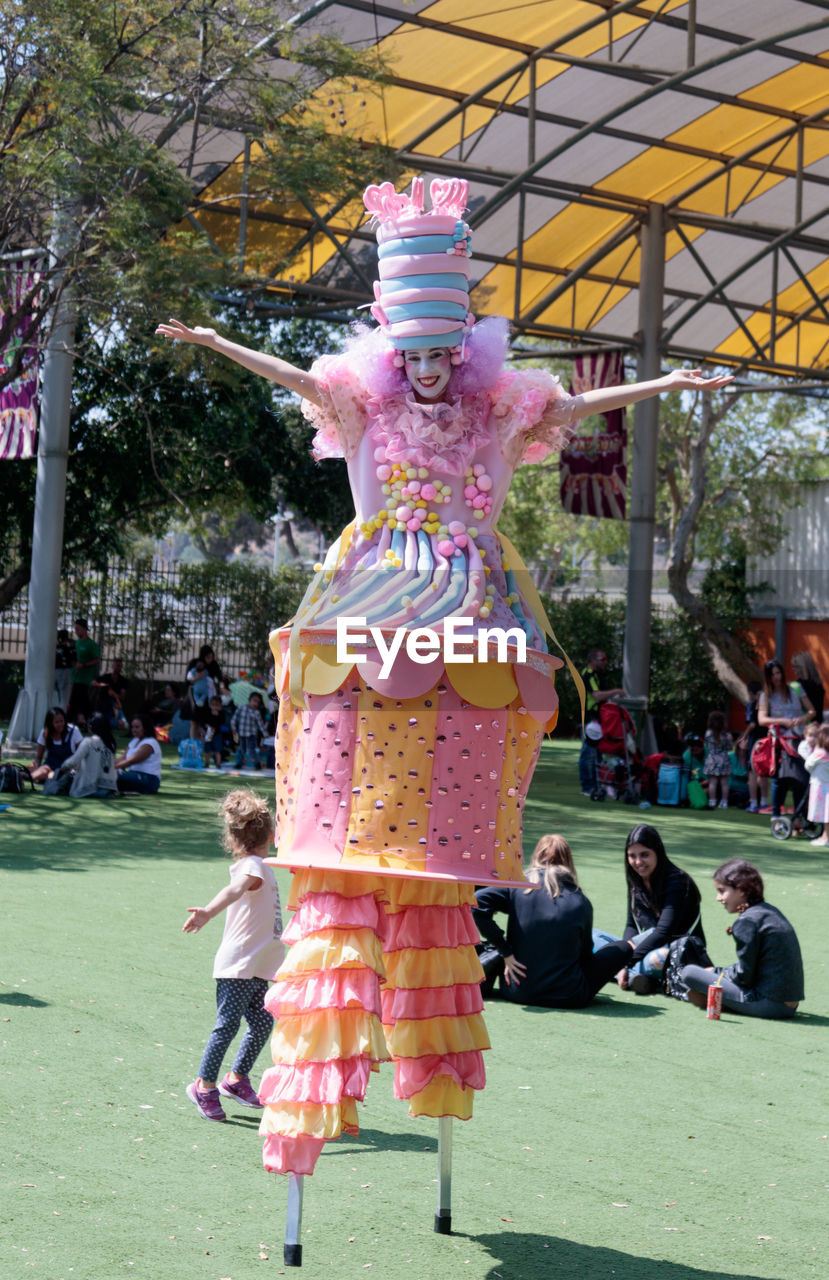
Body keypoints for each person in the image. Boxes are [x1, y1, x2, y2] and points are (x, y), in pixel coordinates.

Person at [156, 174, 731, 1177]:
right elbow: (295, 379)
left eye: (438, 354)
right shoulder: (367, 409)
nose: (424, 369)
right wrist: (216, 348)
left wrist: (668, 385)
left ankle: (437, 848)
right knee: (356, 690)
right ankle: (350, 856)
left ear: (457, 354)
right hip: (376, 581)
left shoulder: (494, 417)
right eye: (410, 352)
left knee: (471, 701)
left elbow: (584, 397)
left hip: (468, 589)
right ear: (392, 351)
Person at [183, 790, 284, 1122]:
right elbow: (235, 890)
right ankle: (204, 1086)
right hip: (240, 965)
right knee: (226, 1027)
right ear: (270, 835)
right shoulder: (253, 866)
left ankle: (236, 1080)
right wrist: (208, 912)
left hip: (258, 965)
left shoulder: (261, 865)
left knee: (261, 1022)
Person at [472, 835, 632, 1007]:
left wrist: (505, 951)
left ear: (536, 857)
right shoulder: (581, 901)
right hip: (569, 995)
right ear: (569, 861)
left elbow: (476, 904)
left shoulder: (519, 887)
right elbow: (584, 956)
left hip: (516, 991)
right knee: (623, 947)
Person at [679, 859, 803, 1019]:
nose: (718, 898)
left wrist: (716, 972)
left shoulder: (747, 921)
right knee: (707, 977)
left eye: (722, 891)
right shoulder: (769, 911)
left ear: (742, 891)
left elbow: (745, 977)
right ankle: (721, 999)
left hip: (769, 1004)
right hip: (789, 1005)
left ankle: (721, 1000)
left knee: (689, 972)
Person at [613, 823, 706, 995]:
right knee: (595, 937)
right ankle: (637, 976)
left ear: (658, 853)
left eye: (644, 855)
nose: (638, 862)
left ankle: (627, 972)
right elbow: (631, 925)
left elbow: (663, 932)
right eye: (632, 856)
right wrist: (625, 949)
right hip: (644, 948)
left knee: (657, 959)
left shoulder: (677, 881)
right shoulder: (636, 880)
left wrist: (625, 961)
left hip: (675, 953)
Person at [758, 658, 815, 817]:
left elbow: (812, 711)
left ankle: (798, 816)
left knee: (800, 779)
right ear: (768, 677)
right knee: (779, 780)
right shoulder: (766, 695)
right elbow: (761, 719)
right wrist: (781, 721)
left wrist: (802, 719)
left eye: (778, 673)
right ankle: (776, 816)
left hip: (799, 739)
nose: (776, 677)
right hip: (778, 741)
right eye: (772, 674)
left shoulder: (795, 689)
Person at [578, 649, 626, 797]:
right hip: (590, 719)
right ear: (593, 660)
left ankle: (597, 785)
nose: (604, 662)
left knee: (597, 755)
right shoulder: (589, 674)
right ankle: (588, 787)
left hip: (598, 719)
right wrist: (616, 691)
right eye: (602, 659)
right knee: (588, 754)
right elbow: (597, 696)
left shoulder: (598, 675)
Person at [50, 714, 118, 798]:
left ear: (91, 726)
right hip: (109, 789)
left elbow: (73, 761)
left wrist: (62, 768)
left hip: (91, 789)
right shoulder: (111, 743)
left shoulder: (89, 741)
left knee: (64, 780)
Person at [30, 708, 83, 784]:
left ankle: (47, 779)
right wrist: (36, 766)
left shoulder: (74, 731)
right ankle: (22, 776)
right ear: (50, 723)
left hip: (66, 769)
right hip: (49, 766)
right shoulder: (45, 732)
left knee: (52, 776)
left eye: (62, 721)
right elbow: (39, 757)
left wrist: (76, 767)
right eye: (56, 722)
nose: (60, 724)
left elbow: (82, 752)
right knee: (39, 773)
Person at [114, 714, 163, 794]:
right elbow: (123, 758)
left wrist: (110, 770)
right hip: (134, 775)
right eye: (132, 727)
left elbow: (130, 761)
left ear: (145, 728)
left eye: (137, 727)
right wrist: (106, 766)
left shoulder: (150, 743)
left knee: (114, 775)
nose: (134, 730)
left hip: (149, 780)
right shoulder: (134, 741)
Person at [738, 680, 767, 813]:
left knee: (753, 773)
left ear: (750, 692)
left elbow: (752, 724)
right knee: (763, 772)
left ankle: (754, 802)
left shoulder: (751, 705)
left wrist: (744, 736)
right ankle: (765, 803)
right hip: (766, 740)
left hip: (755, 740)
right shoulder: (766, 704)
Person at [67, 618, 100, 728]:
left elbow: (96, 659)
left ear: (84, 629)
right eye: (75, 629)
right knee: (83, 702)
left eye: (78, 629)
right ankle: (90, 722)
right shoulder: (76, 643)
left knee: (76, 701)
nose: (76, 631)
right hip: (75, 677)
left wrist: (84, 665)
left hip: (84, 679)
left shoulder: (91, 644)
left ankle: (69, 722)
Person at [804, 722, 829, 847]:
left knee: (826, 815)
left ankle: (826, 838)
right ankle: (825, 836)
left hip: (821, 787)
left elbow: (808, 765)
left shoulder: (820, 753)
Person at [703, 710, 732, 809]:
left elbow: (706, 744)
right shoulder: (727, 736)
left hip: (712, 759)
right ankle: (724, 802)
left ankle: (712, 801)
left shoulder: (708, 734)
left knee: (713, 782)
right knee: (724, 783)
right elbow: (730, 747)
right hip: (723, 758)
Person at [230, 692, 267, 769]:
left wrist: (265, 733)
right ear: (249, 700)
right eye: (254, 700)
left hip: (252, 735)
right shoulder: (241, 708)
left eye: (257, 702)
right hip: (242, 734)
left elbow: (260, 724)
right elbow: (234, 719)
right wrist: (233, 728)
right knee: (241, 749)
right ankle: (239, 763)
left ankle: (257, 764)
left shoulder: (257, 712)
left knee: (251, 750)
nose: (255, 703)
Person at [94, 657, 129, 729]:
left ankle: (117, 723)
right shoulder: (105, 678)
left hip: (117, 706)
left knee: (126, 725)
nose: (119, 668)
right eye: (117, 666)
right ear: (113, 666)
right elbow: (95, 684)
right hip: (105, 706)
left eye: (120, 666)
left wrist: (114, 694)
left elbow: (122, 697)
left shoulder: (123, 680)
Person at [791, 651, 825, 725]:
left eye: (796, 667)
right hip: (818, 723)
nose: (794, 670)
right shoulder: (818, 684)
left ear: (803, 667)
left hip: (805, 724)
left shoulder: (798, 685)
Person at [201, 695, 229, 769]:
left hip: (217, 734)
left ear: (220, 705)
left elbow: (221, 723)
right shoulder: (207, 712)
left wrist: (217, 716)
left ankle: (218, 764)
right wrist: (205, 727)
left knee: (217, 750)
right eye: (213, 705)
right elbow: (203, 722)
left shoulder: (221, 714)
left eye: (217, 705)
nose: (215, 707)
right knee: (208, 750)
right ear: (210, 705)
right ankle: (207, 763)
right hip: (209, 733)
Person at [54, 628, 75, 710]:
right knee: (64, 697)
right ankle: (62, 713)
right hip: (65, 671)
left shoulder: (54, 648)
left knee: (55, 694)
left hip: (54, 671)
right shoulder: (69, 649)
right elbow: (73, 661)